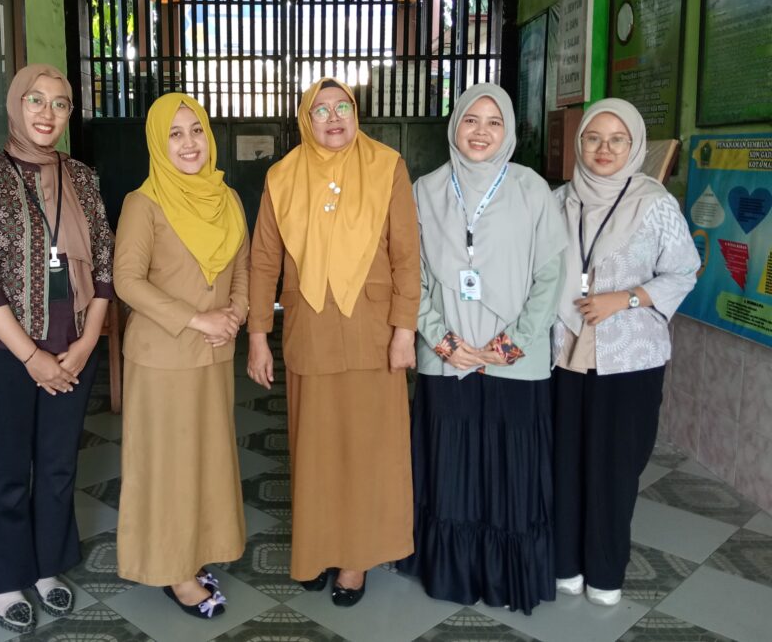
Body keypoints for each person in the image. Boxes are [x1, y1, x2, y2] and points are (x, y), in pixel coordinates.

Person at [0, 64, 114, 633]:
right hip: (2, 357)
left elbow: (105, 266)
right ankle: (3, 578)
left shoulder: (83, 179)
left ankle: (47, 567)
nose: (48, 114)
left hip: (73, 351)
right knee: (7, 470)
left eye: (60, 103)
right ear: (16, 105)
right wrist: (31, 356)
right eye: (36, 101)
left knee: (57, 467)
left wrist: (87, 341)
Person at [247, 77, 419, 607]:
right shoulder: (282, 176)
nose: (334, 117)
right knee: (316, 452)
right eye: (320, 110)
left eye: (342, 106)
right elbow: (263, 261)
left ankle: (355, 561)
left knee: (368, 452)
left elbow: (407, 255)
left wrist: (405, 331)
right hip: (311, 332)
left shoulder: (387, 166)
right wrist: (258, 335)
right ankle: (317, 549)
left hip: (373, 333)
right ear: (306, 119)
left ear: (355, 111)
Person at [401, 83, 567, 615]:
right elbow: (409, 275)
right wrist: (443, 340)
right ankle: (452, 571)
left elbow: (551, 275)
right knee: (450, 469)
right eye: (471, 119)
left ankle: (504, 577)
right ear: (455, 126)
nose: (481, 131)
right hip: (446, 356)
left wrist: (514, 343)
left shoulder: (531, 189)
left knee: (510, 470)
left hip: (514, 360)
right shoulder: (425, 190)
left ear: (508, 130)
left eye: (494, 122)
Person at [551, 98, 698, 606]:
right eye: (594, 137)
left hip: (629, 356)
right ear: (580, 143)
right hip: (564, 352)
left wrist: (626, 298)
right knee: (565, 460)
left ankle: (605, 572)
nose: (605, 148)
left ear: (634, 146)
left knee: (615, 465)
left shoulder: (654, 204)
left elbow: (684, 271)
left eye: (618, 139)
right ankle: (564, 563)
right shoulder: (558, 200)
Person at [114, 93, 249, 620]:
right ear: (158, 142)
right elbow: (127, 281)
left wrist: (236, 311)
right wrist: (198, 319)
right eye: (175, 133)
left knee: (206, 462)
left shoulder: (227, 198)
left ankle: (194, 552)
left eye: (196, 131)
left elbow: (242, 265)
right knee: (168, 466)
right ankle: (174, 571)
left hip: (214, 354)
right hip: (163, 359)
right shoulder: (143, 203)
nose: (189, 143)